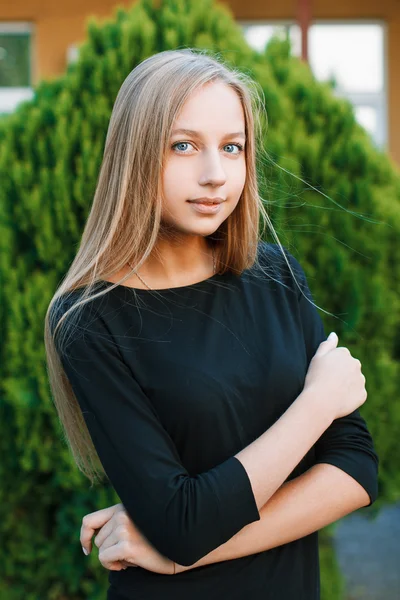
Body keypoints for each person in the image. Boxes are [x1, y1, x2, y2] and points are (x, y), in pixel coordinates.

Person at [45, 48, 379, 600]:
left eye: (232, 147)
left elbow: (354, 471)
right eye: (183, 145)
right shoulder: (89, 319)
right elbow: (182, 523)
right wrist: (318, 403)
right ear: (134, 155)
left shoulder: (277, 276)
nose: (214, 175)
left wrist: (180, 555)